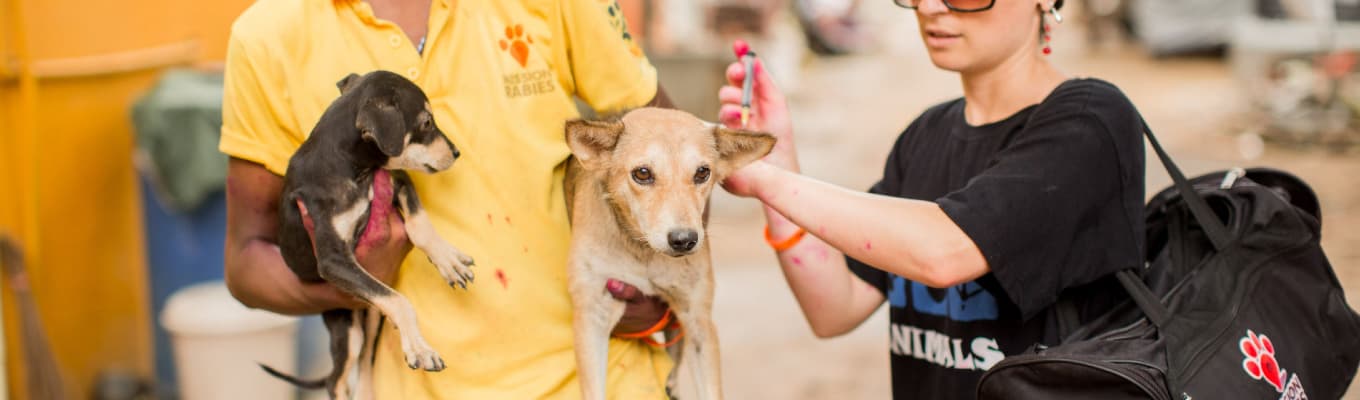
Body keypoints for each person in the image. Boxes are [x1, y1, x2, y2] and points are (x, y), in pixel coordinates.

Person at [219, 0, 677, 397]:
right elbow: (246, 260)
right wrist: (357, 283)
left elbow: (680, 150)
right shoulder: (268, 36)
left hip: (604, 380)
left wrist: (661, 285)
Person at [716, 0, 1146, 398]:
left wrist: (770, 181)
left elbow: (944, 253)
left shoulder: (1090, 120)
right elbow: (834, 308)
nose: (931, 7)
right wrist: (780, 160)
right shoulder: (925, 135)